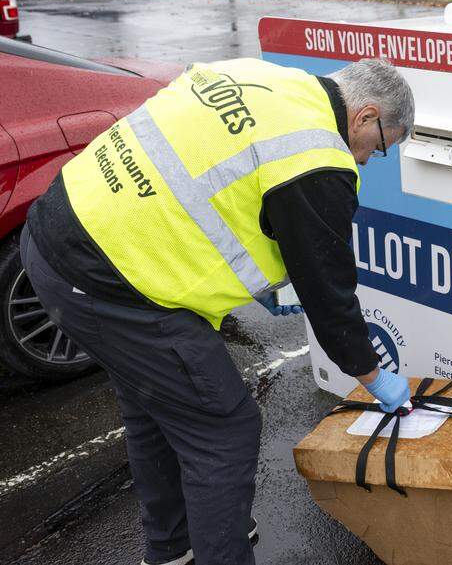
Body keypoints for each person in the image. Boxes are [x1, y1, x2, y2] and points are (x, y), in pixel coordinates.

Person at [21, 57, 416, 565]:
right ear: (364, 117)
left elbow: (216, 182)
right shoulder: (318, 157)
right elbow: (329, 295)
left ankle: (173, 547)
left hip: (58, 231)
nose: (367, 159)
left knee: (158, 409)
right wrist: (372, 374)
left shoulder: (267, 77)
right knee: (224, 429)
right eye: (380, 146)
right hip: (112, 281)